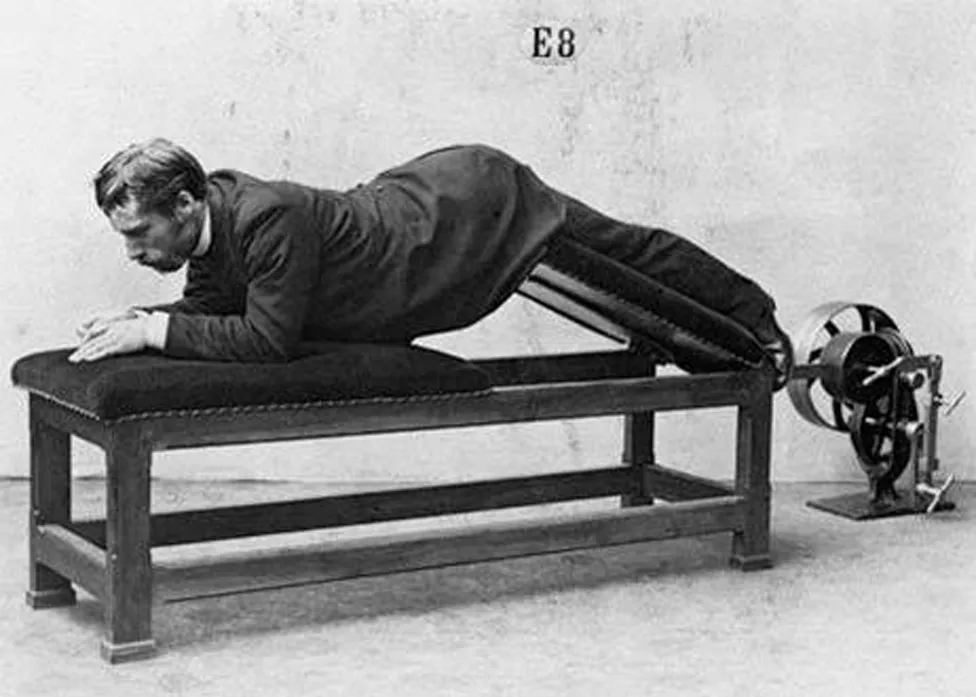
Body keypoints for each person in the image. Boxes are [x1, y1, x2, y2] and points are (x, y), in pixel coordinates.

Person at [71, 138, 792, 383]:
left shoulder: (264, 216)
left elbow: (265, 339)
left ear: (189, 205)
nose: (134, 252)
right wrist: (140, 319)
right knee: (623, 248)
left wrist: (155, 330)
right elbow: (206, 313)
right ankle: (749, 315)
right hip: (418, 201)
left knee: (623, 250)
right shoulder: (215, 225)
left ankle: (754, 319)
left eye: (139, 235)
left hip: (466, 210)